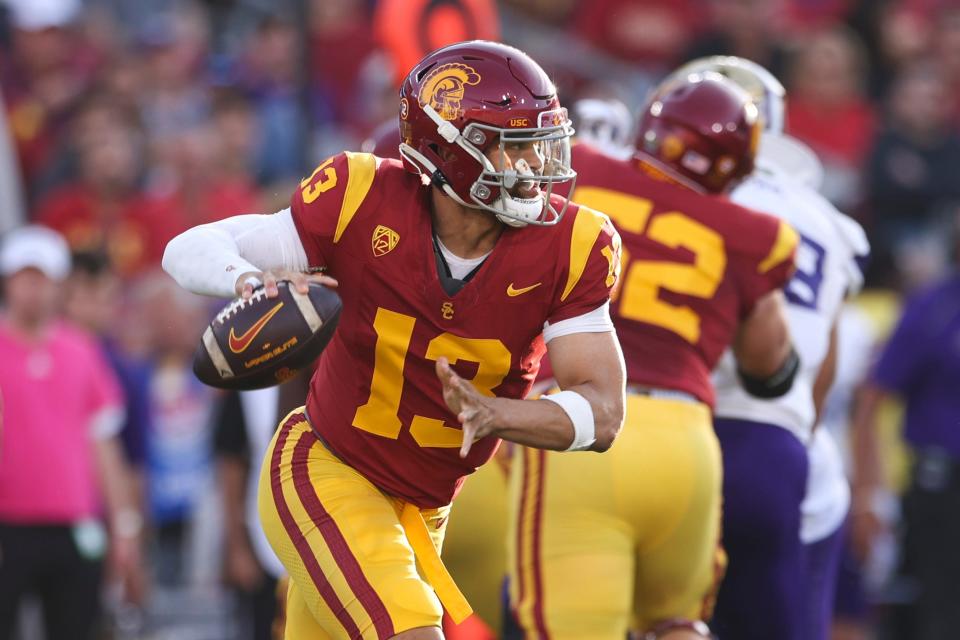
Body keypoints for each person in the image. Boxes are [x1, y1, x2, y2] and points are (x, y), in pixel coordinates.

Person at [163, 40, 625, 640]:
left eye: (539, 144)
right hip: (327, 469)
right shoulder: (359, 196)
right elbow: (188, 249)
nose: (537, 166)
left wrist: (500, 414)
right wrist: (252, 282)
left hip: (423, 511)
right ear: (449, 152)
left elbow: (605, 411)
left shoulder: (573, 243)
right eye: (514, 146)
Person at [508, 72, 799, 640]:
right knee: (676, 623)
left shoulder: (582, 169)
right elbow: (769, 368)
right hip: (684, 438)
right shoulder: (756, 233)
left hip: (580, 422)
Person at [665, 57, 868, 640]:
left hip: (677, 424)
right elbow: (822, 354)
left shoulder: (683, 192)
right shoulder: (824, 219)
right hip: (783, 445)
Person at [0, 225, 141, 640]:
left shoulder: (82, 351)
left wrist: (124, 526)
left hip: (74, 525)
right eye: (26, 278)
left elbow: (103, 445)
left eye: (43, 279)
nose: (34, 290)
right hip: (9, 525)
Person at [854, 265, 960, 640]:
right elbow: (872, 397)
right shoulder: (936, 307)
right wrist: (868, 493)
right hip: (943, 485)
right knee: (942, 610)